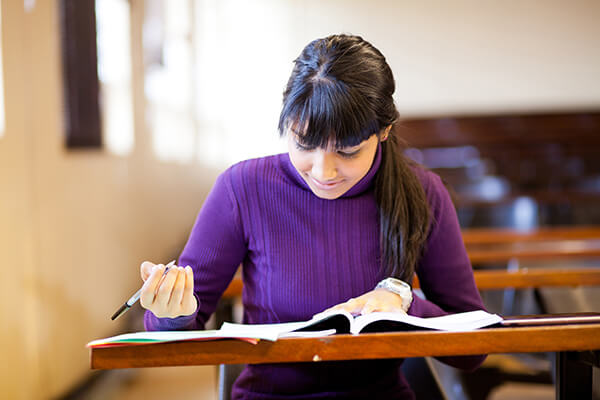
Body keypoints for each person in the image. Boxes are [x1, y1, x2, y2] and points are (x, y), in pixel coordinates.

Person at [140, 34, 487, 399]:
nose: (324, 171)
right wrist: (172, 311)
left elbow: (474, 352)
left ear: (383, 131)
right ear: (287, 123)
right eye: (305, 144)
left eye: (348, 151)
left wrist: (404, 303)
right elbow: (173, 331)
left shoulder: (423, 193)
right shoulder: (242, 188)